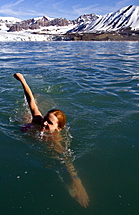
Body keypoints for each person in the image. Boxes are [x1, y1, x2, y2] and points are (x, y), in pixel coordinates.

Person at [13, 73, 90, 208]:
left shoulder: (55, 141)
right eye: (45, 119)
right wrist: (22, 80)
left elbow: (68, 162)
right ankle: (38, 99)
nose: (44, 124)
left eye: (49, 123)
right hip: (28, 125)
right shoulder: (38, 120)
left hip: (34, 134)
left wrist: (77, 183)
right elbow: (29, 99)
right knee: (26, 115)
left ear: (59, 129)